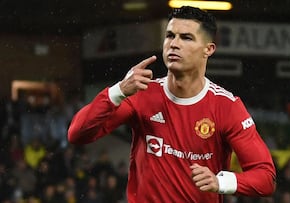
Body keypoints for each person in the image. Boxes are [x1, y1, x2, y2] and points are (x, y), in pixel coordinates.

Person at [68, 6, 276, 202]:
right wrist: (117, 91)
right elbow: (77, 134)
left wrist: (221, 181)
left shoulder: (227, 107)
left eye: (186, 37)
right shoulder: (141, 93)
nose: (174, 44)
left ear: (208, 49)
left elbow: (266, 178)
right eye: (170, 35)